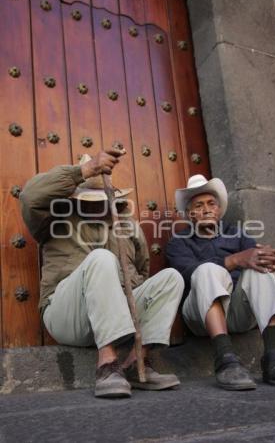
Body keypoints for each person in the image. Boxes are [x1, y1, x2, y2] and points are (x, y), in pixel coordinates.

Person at [20, 149, 184, 398]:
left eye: (100, 199)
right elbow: (30, 196)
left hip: (117, 316)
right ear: (76, 198)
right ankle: (107, 365)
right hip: (69, 316)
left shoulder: (127, 226)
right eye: (87, 199)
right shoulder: (53, 218)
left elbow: (142, 269)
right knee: (101, 259)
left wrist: (118, 294)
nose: (95, 205)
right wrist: (85, 170)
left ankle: (135, 363)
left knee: (171, 278)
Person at [166, 174, 275, 390]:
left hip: (239, 313)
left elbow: (265, 264)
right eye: (198, 205)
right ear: (190, 214)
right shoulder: (178, 242)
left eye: (211, 203)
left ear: (219, 210)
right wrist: (236, 259)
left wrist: (274, 263)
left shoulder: (237, 234)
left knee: (260, 268)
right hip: (201, 316)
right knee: (206, 269)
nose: (206, 209)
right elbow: (187, 273)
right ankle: (225, 359)